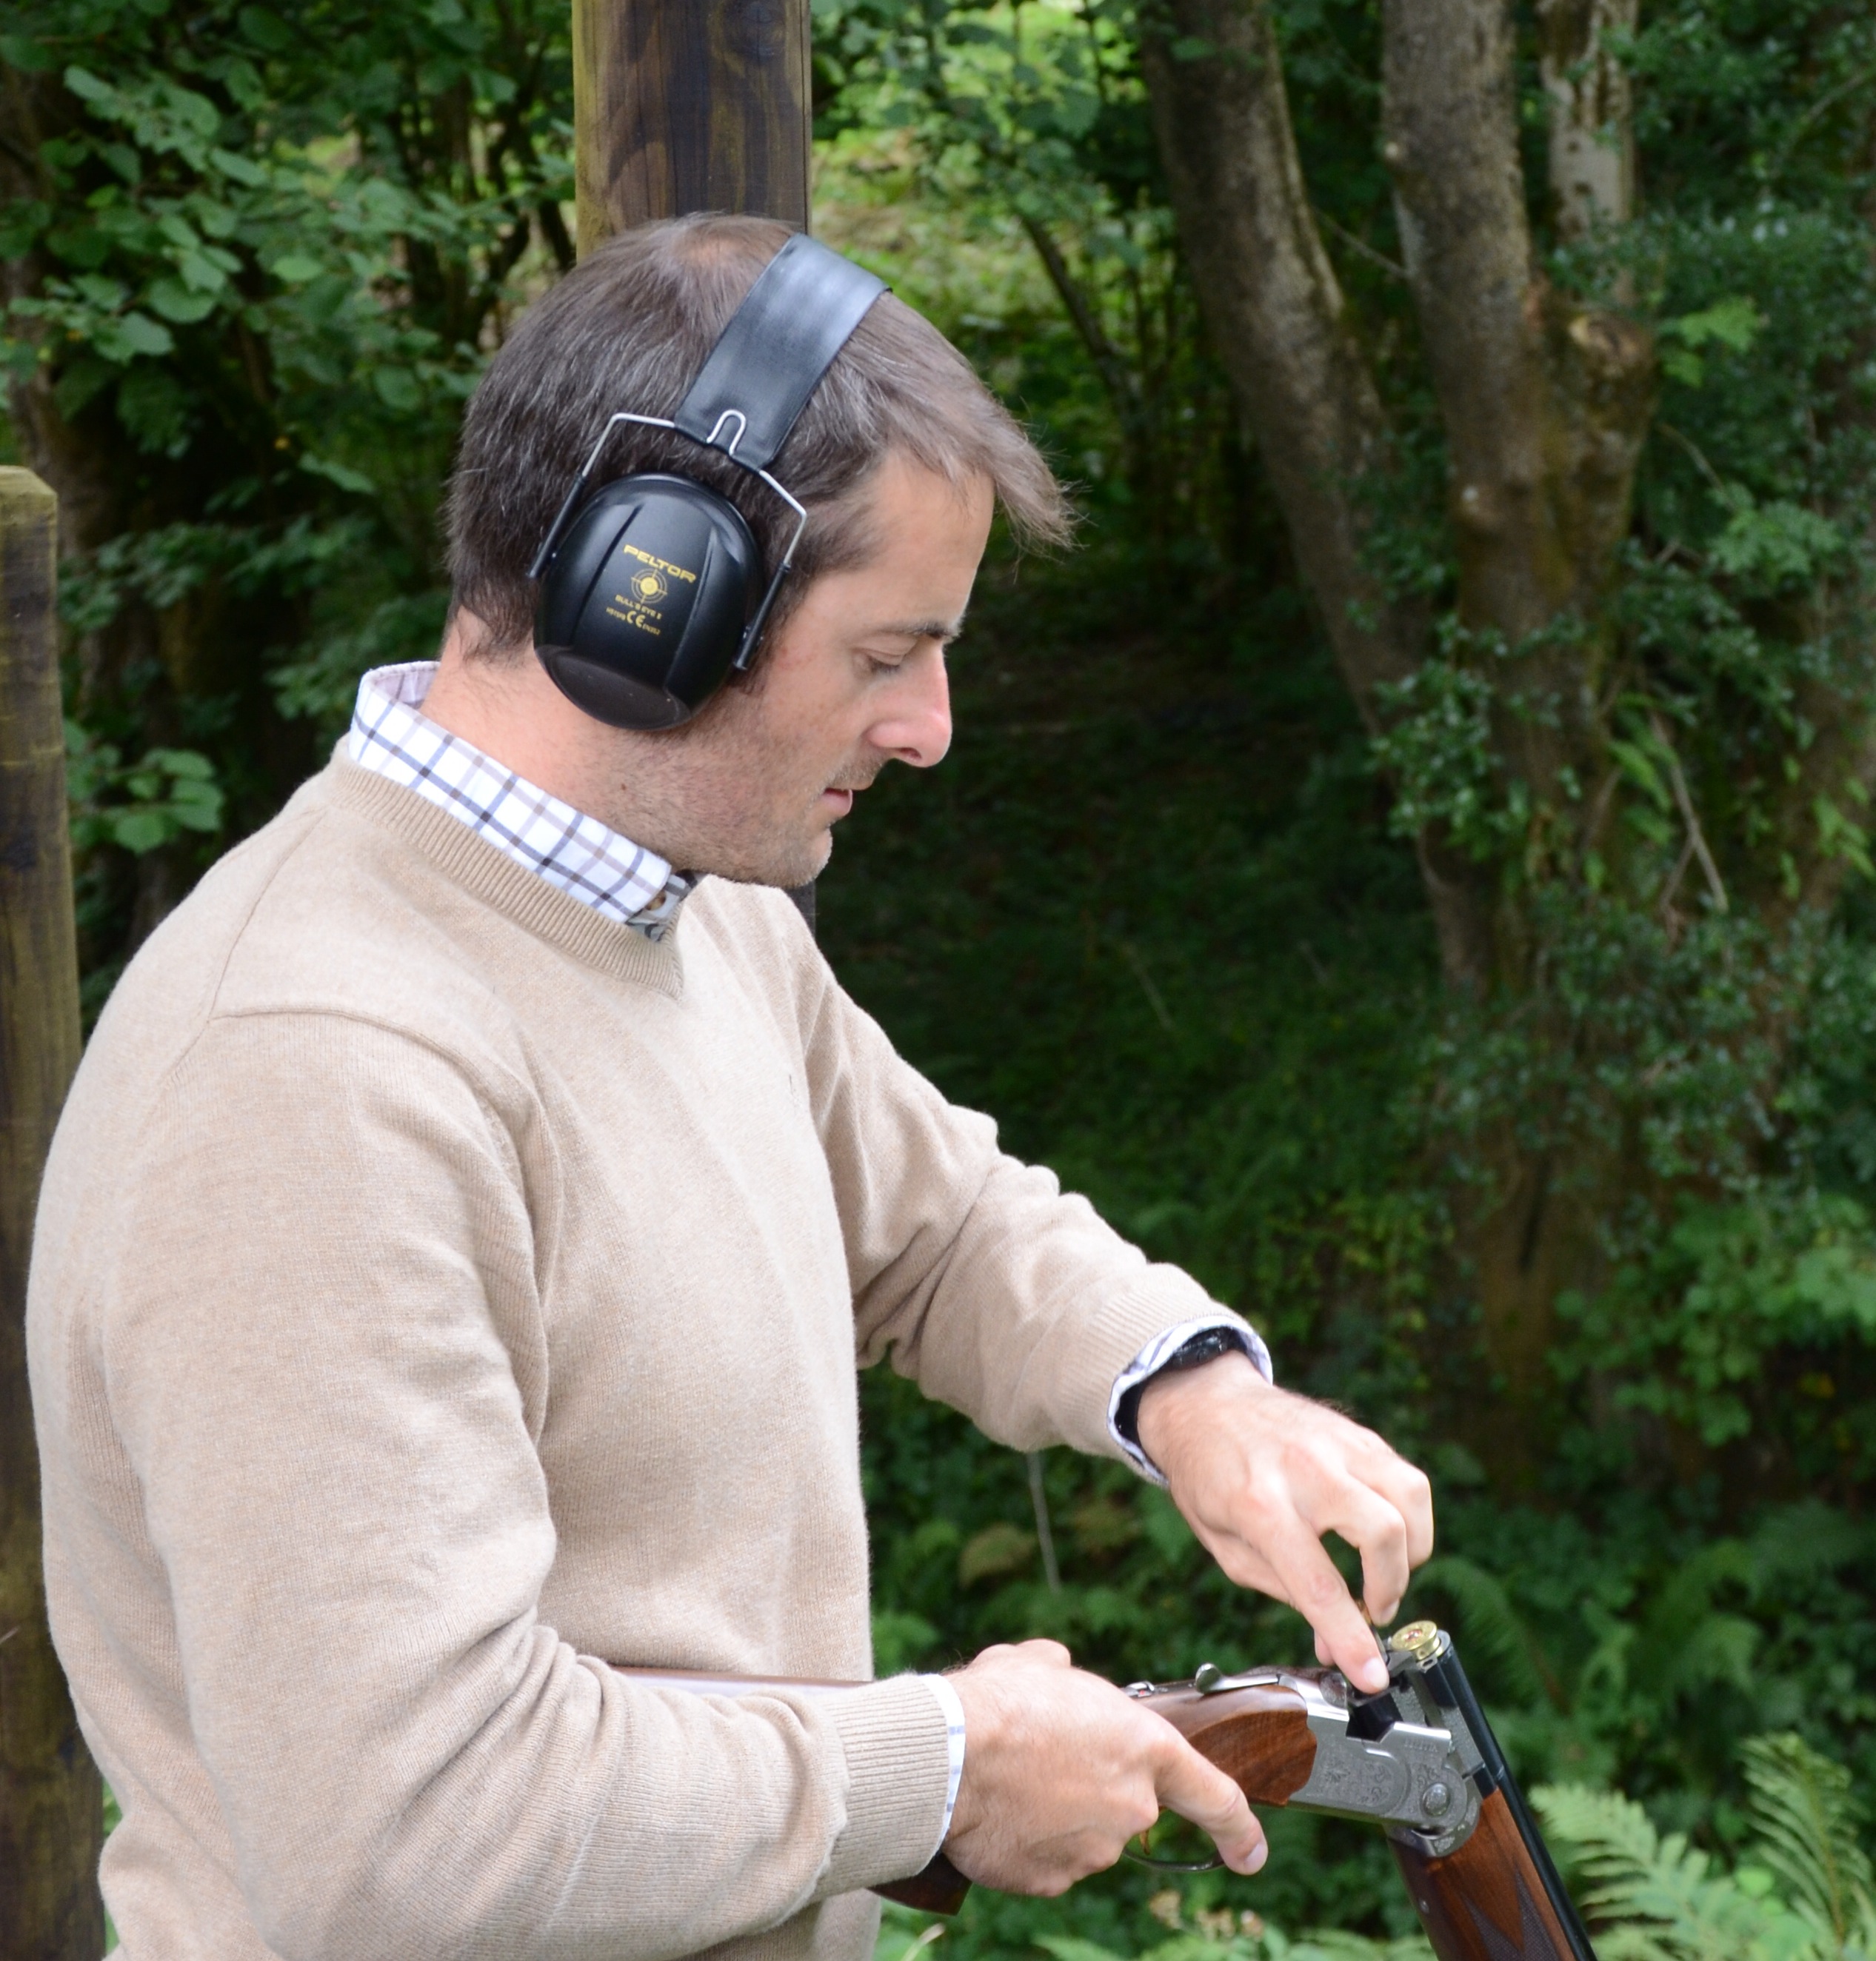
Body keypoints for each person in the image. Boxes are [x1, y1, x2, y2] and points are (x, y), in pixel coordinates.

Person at [28, 215, 1432, 1961]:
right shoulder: (311, 1073)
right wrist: (938, 1771)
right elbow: (412, 1835)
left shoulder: (693, 912)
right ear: (655, 595)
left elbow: (935, 1227)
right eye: (884, 654)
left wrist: (1189, 1392)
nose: (929, 727)